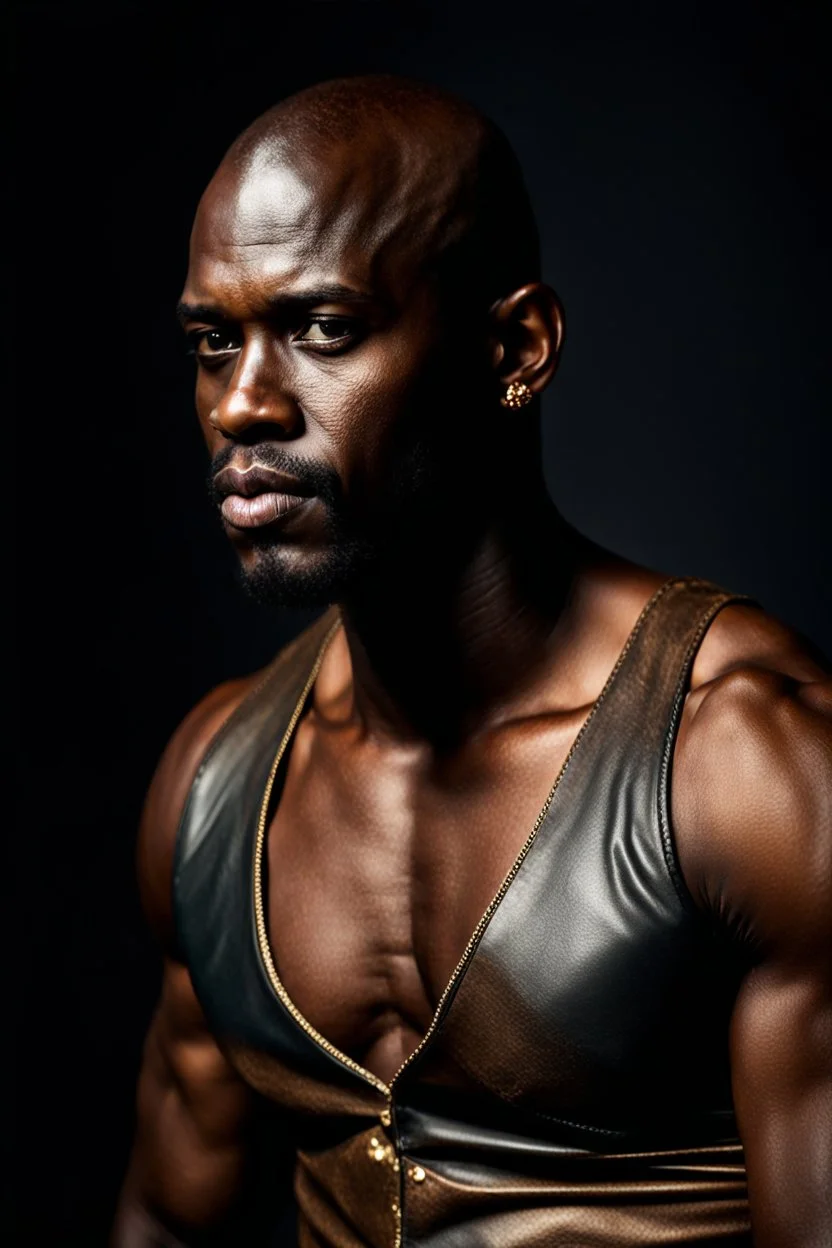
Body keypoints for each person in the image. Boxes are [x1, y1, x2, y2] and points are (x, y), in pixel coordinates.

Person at [112, 75, 831, 1248]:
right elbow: (164, 1215)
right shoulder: (213, 791)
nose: (241, 404)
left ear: (516, 347)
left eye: (320, 329)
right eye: (211, 341)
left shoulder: (746, 763)